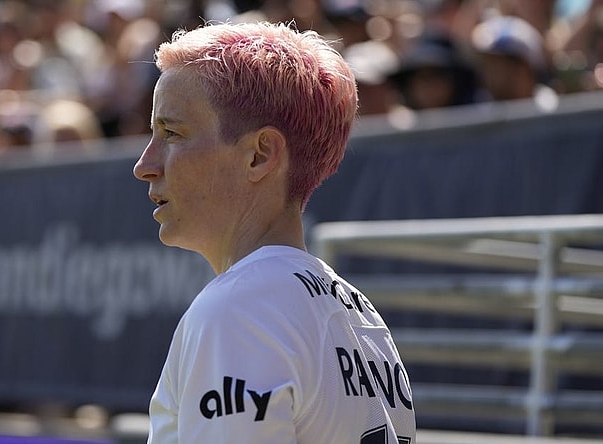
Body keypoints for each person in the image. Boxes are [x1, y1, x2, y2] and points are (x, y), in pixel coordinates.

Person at [133, 21, 415, 443]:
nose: (145, 165)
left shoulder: (238, 309)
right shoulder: (359, 312)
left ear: (260, 155)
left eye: (172, 133)